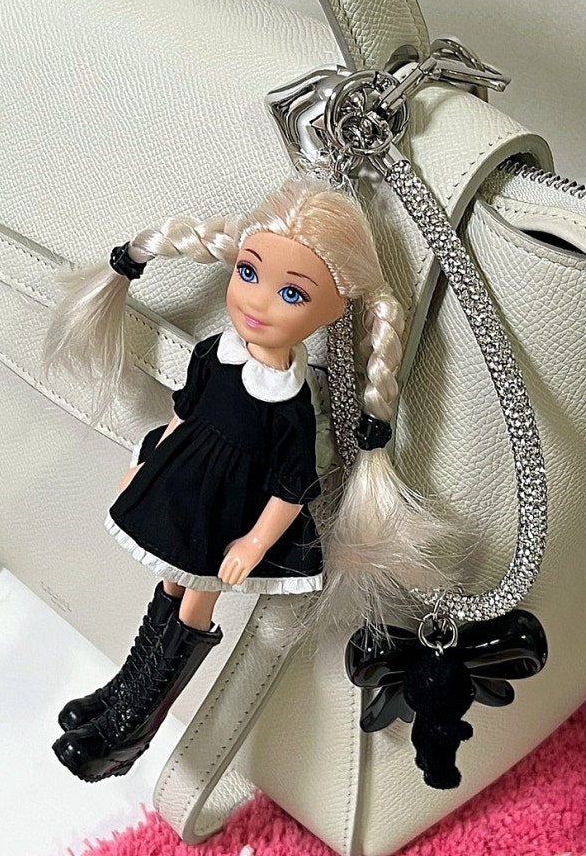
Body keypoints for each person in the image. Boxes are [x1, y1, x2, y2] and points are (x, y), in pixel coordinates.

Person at [44, 176, 442, 782]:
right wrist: (145, 465)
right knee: (168, 589)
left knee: (193, 602)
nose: (259, 303)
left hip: (226, 519)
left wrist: (255, 543)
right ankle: (124, 688)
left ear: (334, 310)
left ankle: (133, 725)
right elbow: (182, 416)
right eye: (249, 273)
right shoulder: (215, 353)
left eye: (292, 293)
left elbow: (293, 485)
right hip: (183, 497)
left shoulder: (290, 403)